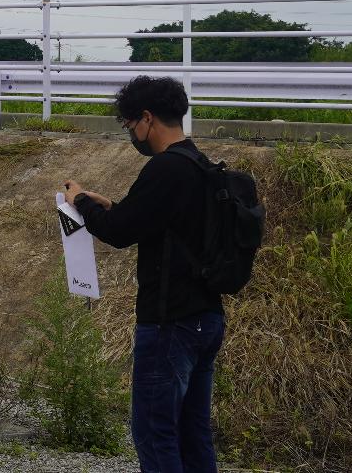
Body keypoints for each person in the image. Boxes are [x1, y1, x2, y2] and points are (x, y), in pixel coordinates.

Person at [62, 75, 226, 473]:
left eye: (129, 124)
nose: (131, 134)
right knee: (193, 433)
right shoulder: (201, 165)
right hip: (206, 318)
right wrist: (111, 205)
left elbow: (119, 232)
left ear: (147, 118)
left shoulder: (165, 169)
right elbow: (158, 222)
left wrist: (80, 200)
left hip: (170, 324)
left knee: (155, 434)